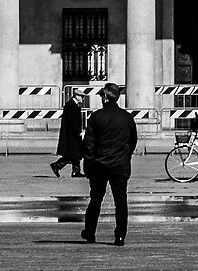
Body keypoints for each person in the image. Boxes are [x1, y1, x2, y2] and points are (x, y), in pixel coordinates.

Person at [79, 82, 138, 245]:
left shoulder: (96, 117)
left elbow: (89, 144)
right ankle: (120, 236)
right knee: (121, 200)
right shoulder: (127, 117)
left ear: (105, 97)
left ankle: (90, 232)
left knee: (96, 199)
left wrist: (88, 163)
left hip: (100, 164)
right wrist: (126, 155)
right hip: (120, 165)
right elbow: (133, 140)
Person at [50, 86, 87, 177]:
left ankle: (76, 171)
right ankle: (57, 165)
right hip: (71, 134)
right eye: (81, 96)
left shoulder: (73, 105)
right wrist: (78, 131)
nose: (83, 98)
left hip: (72, 133)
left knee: (75, 152)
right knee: (72, 153)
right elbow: (72, 121)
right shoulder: (71, 106)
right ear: (77, 96)